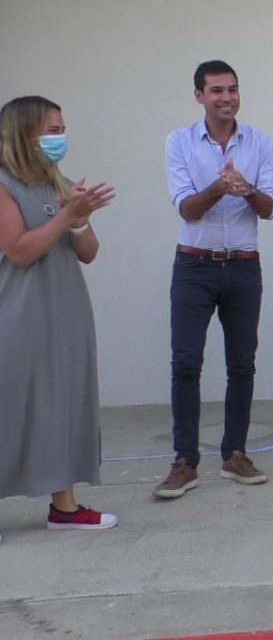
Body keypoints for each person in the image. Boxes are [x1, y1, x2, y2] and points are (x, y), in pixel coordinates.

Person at [154, 60, 273, 499]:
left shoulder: (259, 142)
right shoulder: (179, 142)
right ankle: (185, 461)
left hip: (244, 266)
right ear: (199, 96)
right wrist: (218, 186)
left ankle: (235, 455)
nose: (226, 97)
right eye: (216, 91)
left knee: (242, 364)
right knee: (186, 363)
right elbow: (187, 208)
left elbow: (269, 209)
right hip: (194, 265)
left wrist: (245, 188)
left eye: (232, 89)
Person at [0, 95, 118, 538]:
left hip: (66, 311)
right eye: (52, 130)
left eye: (61, 129)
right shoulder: (3, 184)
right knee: (10, 406)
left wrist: (79, 219)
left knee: (65, 404)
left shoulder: (59, 182)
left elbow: (88, 253)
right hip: (18, 314)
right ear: (24, 132)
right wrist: (66, 214)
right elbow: (20, 250)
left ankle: (64, 507)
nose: (60, 138)